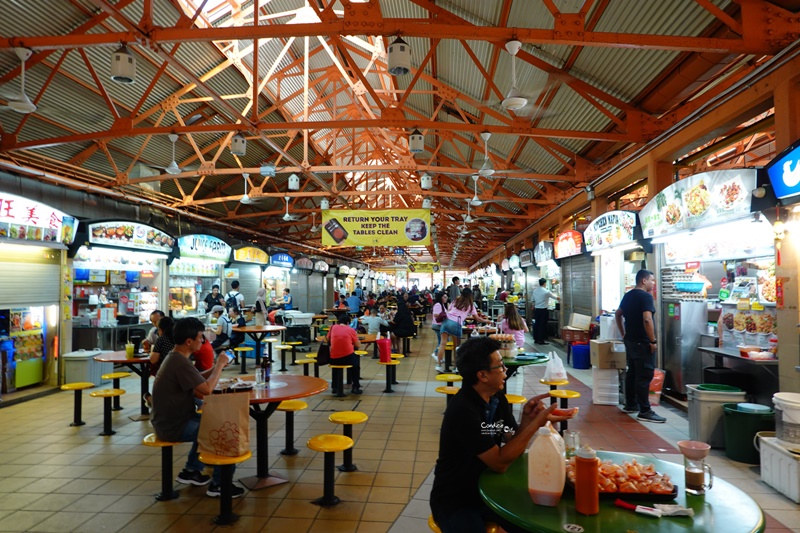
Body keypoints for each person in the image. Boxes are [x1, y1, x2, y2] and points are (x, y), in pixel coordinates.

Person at [430, 336, 570, 532]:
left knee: (536, 521)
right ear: (482, 375)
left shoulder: (496, 398)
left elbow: (511, 439)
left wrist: (529, 420)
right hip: (457, 497)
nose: (505, 372)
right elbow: (500, 463)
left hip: (488, 488)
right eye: (501, 367)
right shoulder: (463, 411)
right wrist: (538, 423)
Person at [151, 317, 244, 498]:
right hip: (173, 425)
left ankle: (191, 471)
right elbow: (206, 390)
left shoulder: (176, 357)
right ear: (189, 341)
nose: (203, 340)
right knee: (225, 430)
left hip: (168, 420)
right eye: (201, 337)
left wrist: (218, 366)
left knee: (209, 422)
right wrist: (220, 366)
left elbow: (197, 378)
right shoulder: (179, 361)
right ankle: (220, 484)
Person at [615, 269, 666, 424]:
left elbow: (618, 314)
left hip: (630, 340)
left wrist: (623, 333)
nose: (653, 283)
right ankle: (645, 410)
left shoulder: (628, 295)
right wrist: (653, 341)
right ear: (644, 280)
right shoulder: (645, 297)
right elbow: (647, 319)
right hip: (642, 342)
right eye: (652, 280)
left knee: (632, 373)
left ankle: (631, 404)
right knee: (644, 375)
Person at [436, 288, 491, 373]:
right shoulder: (471, 305)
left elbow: (449, 310)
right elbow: (477, 318)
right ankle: (456, 367)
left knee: (442, 344)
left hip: (446, 321)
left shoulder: (455, 301)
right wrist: (486, 321)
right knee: (457, 347)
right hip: (456, 324)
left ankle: (438, 365)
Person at [326, 313, 363, 395]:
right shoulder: (351, 330)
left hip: (333, 358)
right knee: (355, 365)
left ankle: (334, 387)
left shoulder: (332, 327)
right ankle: (355, 387)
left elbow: (327, 340)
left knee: (335, 368)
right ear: (348, 323)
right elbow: (358, 345)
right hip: (347, 357)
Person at [532, 278, 559, 345]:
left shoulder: (535, 291)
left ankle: (536, 339)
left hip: (537, 310)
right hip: (543, 310)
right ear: (544, 283)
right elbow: (556, 298)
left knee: (537, 324)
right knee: (542, 325)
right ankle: (541, 340)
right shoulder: (546, 291)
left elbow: (532, 300)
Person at [430, 291, 448, 361]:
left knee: (440, 341)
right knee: (445, 340)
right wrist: (445, 315)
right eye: (444, 297)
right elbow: (435, 314)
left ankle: (439, 356)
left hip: (439, 325)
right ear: (441, 298)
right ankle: (435, 353)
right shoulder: (438, 304)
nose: (446, 299)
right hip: (438, 325)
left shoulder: (442, 304)